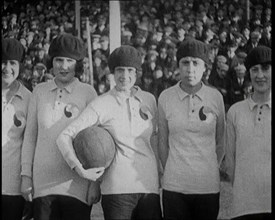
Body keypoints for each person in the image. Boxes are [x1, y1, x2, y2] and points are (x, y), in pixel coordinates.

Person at [56, 45, 162, 220]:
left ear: (137, 73)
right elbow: (64, 136)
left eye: (130, 70)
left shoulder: (149, 100)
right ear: (113, 72)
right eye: (120, 70)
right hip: (117, 191)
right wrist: (83, 172)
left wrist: (159, 178)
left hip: (148, 189)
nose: (125, 76)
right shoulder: (102, 103)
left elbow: (155, 142)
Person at [20, 33, 101, 220]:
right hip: (43, 186)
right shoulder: (39, 91)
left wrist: (94, 184)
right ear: (51, 61)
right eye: (58, 60)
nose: (63, 66)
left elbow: (96, 141)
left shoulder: (88, 92)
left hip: (77, 186)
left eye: (69, 61)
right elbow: (30, 137)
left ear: (78, 64)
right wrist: (26, 176)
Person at [158, 39, 226, 220]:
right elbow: (162, 143)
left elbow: (221, 142)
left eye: (196, 63)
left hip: (207, 186)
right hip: (174, 186)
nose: (190, 69)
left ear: (205, 67)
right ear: (178, 65)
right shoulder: (165, 97)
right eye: (185, 63)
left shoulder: (215, 97)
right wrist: (174, 171)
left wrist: (209, 167)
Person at [225, 46, 271, 220]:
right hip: (244, 205)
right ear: (248, 73)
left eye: (266, 68)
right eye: (254, 69)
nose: (260, 75)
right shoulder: (235, 111)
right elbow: (230, 161)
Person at [2, 38, 32, 220]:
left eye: (12, 63)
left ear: (20, 66)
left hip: (13, 187)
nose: (6, 68)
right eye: (2, 62)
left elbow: (30, 143)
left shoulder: (29, 98)